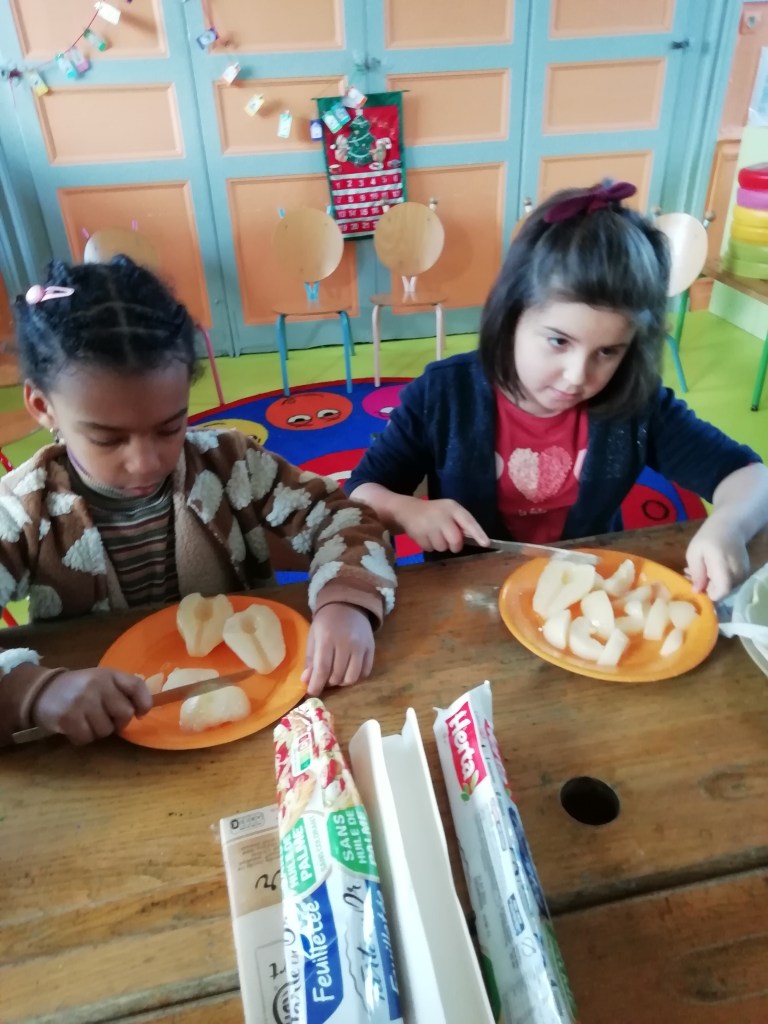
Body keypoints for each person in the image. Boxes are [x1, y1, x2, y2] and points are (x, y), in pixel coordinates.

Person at [0, 257, 397, 745]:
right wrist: (33, 692)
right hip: (99, 749)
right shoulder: (21, 509)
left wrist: (346, 602)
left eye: (170, 428)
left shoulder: (231, 462)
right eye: (107, 439)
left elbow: (346, 518)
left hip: (261, 720)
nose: (145, 462)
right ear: (42, 406)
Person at [348, 180, 768, 601]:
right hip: (469, 595)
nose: (576, 377)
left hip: (584, 595)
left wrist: (727, 526)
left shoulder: (635, 404)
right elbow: (361, 492)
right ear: (511, 315)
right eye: (558, 341)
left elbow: (751, 477)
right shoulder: (443, 395)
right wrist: (407, 511)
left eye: (607, 351)